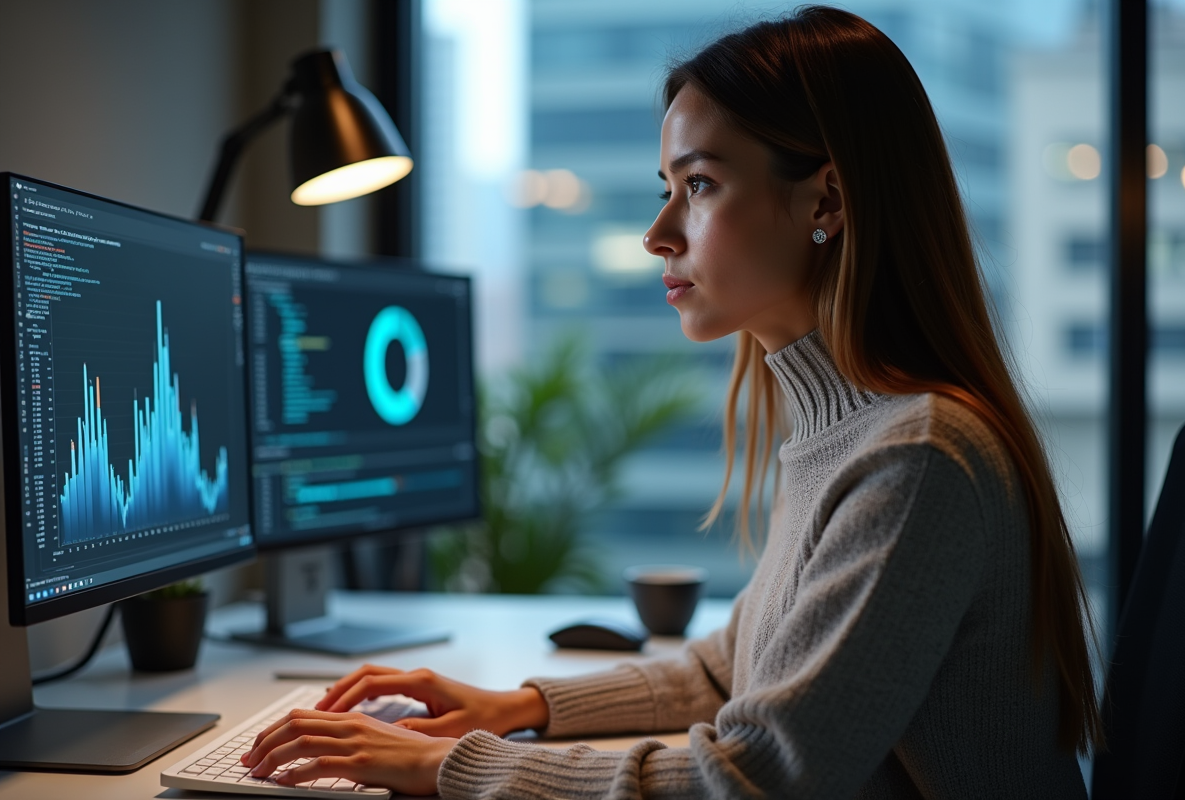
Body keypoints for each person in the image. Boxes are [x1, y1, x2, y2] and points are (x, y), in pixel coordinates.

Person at [241, 6, 1103, 797]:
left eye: (699, 185)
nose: (657, 235)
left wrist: (447, 765)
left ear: (827, 199)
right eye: (668, 188)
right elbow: (731, 669)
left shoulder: (916, 459)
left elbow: (761, 777)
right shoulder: (852, 430)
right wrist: (518, 706)